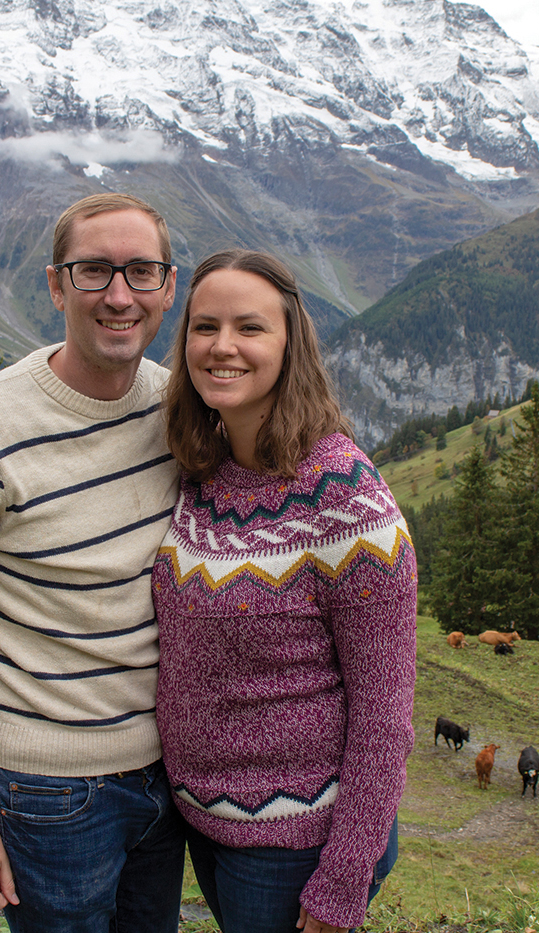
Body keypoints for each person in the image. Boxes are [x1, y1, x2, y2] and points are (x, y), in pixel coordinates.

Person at [0, 192, 185, 933]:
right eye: (94, 272)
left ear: (168, 287)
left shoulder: (180, 411)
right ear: (57, 286)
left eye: (140, 272)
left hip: (168, 779)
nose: (119, 295)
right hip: (46, 792)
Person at [153, 249, 418, 933]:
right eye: (204, 327)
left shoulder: (344, 495)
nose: (223, 346)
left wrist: (343, 880)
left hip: (295, 845)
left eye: (250, 327)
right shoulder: (204, 470)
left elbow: (385, 714)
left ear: (290, 343)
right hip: (206, 827)